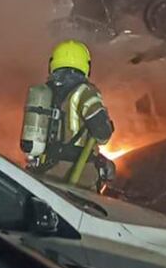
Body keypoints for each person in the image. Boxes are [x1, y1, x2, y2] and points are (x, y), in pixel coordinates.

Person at [26, 40, 115, 190]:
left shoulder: (44, 92)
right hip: (78, 175)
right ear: (86, 66)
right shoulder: (85, 92)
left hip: (45, 169)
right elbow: (102, 134)